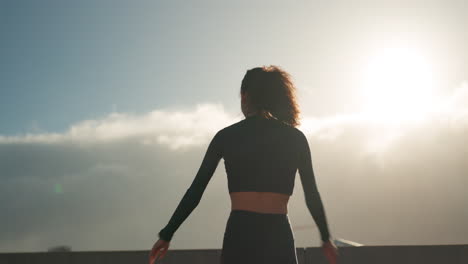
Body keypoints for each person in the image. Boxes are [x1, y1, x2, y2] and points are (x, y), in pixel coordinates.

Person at [149, 65, 339, 264]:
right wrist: (326, 238)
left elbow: (196, 190)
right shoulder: (295, 138)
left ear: (245, 95)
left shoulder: (226, 136)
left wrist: (167, 234)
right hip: (278, 232)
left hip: (240, 232)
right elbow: (311, 194)